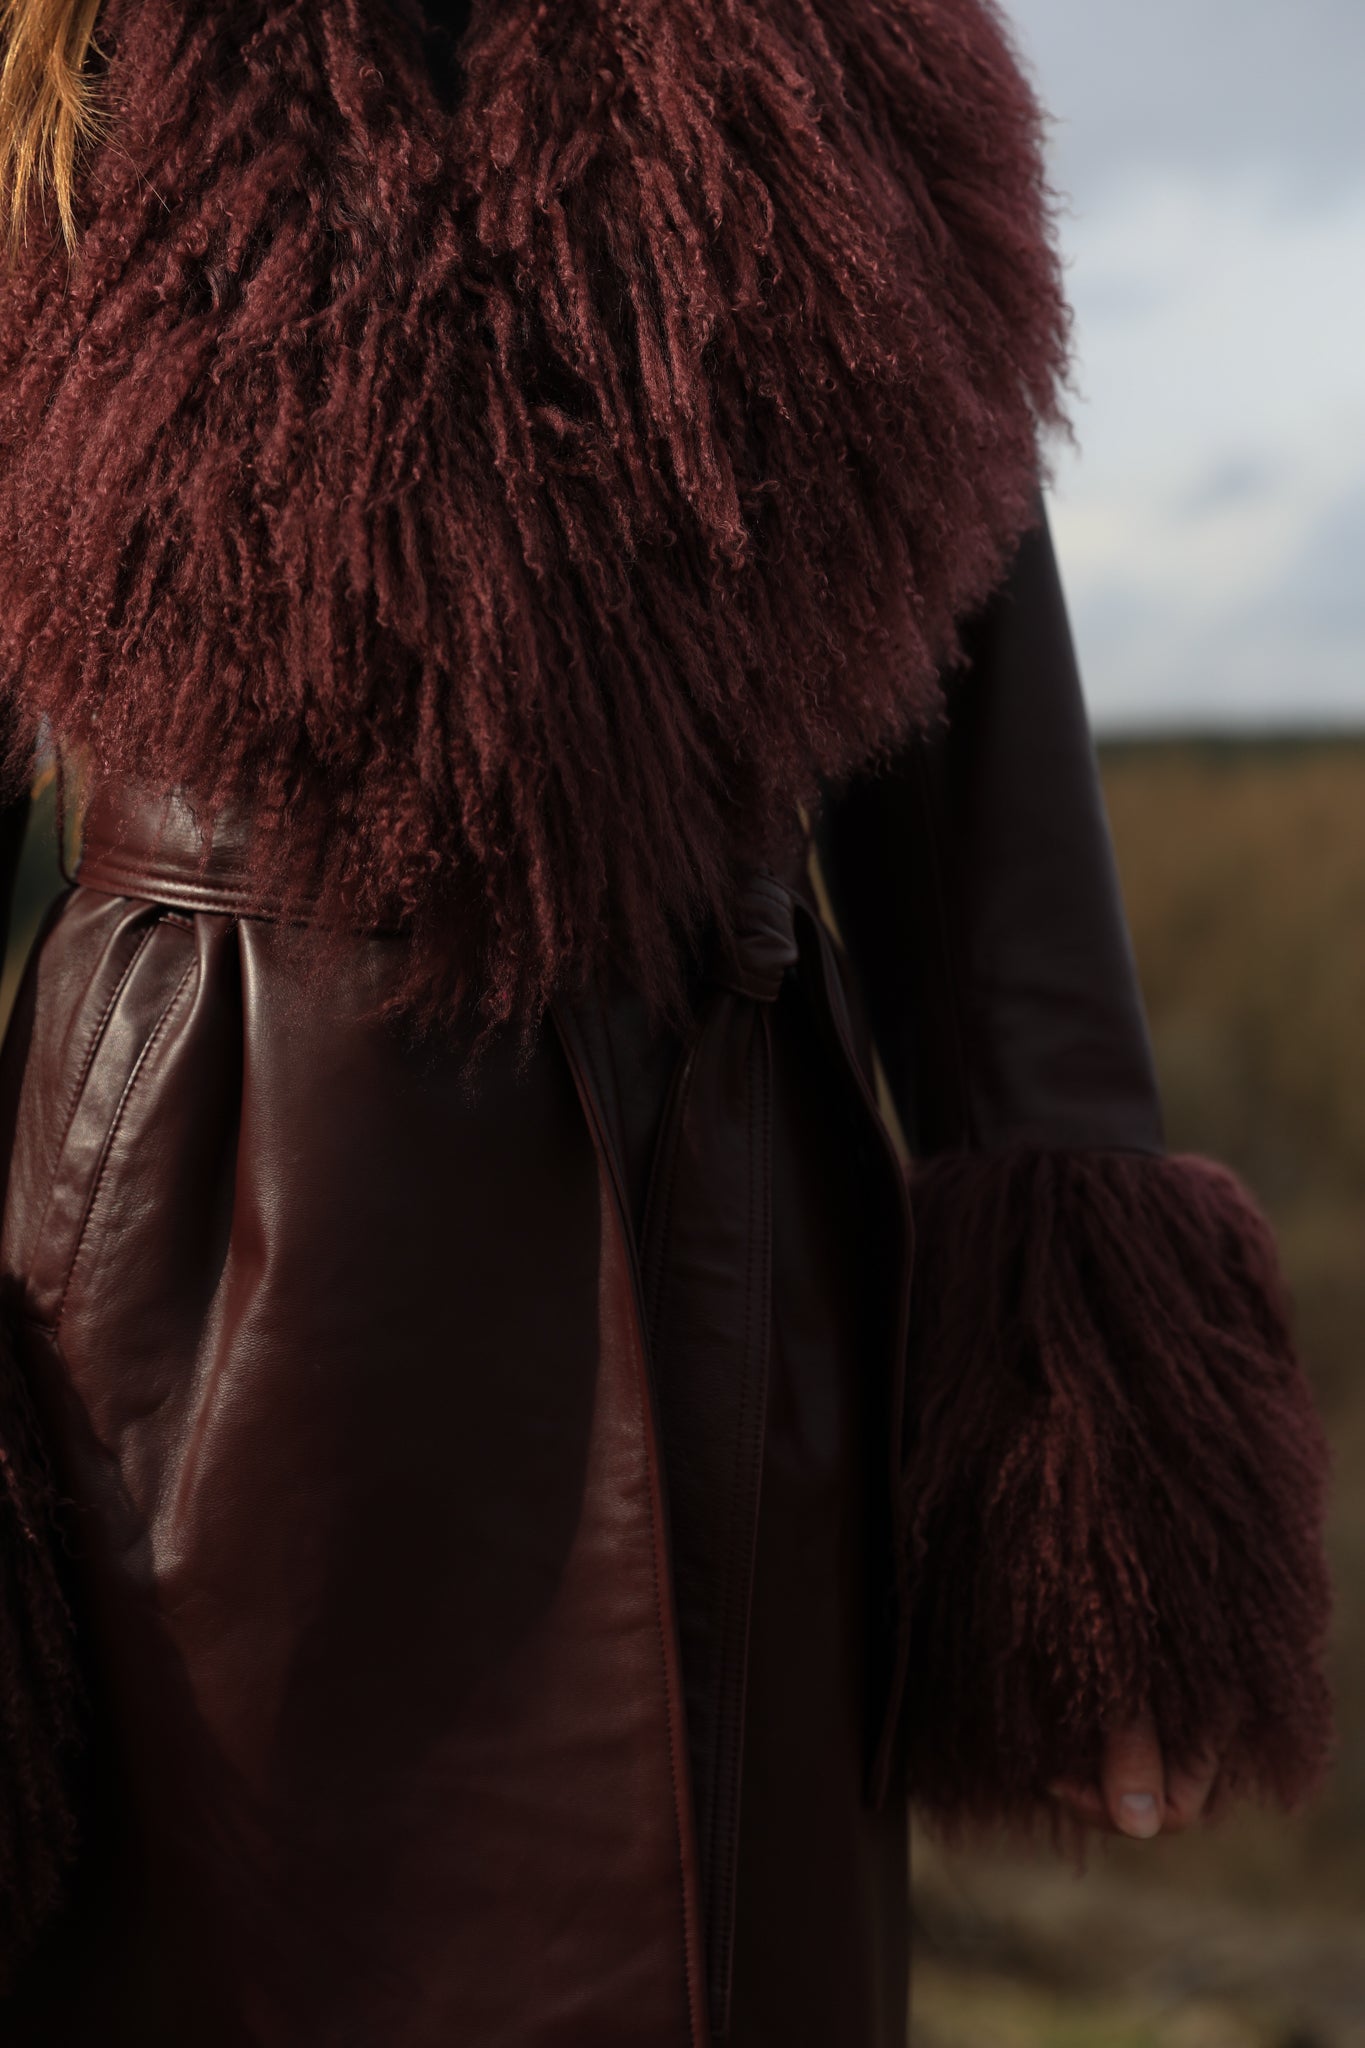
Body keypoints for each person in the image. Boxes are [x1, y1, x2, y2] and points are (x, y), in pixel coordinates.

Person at [0, 1, 1332, 2042]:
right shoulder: (48, 67)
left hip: (717, 1276)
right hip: (181, 1313)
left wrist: (1089, 1478)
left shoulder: (848, 59)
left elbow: (971, 774)